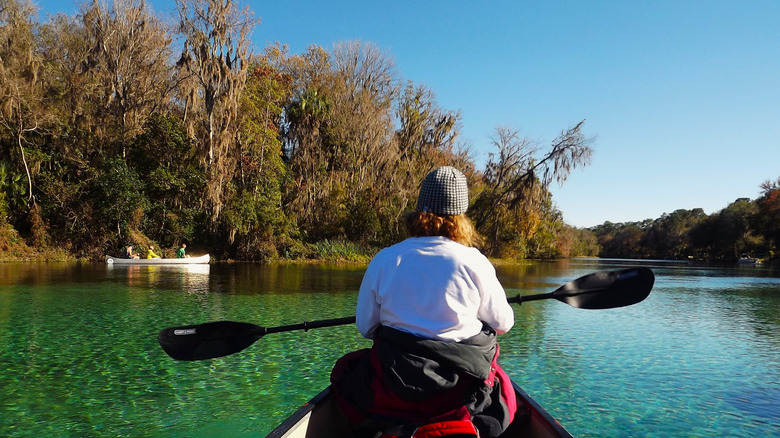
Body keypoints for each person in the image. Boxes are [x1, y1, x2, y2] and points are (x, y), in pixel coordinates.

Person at [330, 166, 517, 438]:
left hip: (394, 387)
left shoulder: (385, 258)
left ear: (419, 212)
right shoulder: (474, 261)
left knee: (351, 369)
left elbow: (366, 328)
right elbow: (503, 324)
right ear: (461, 216)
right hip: (459, 395)